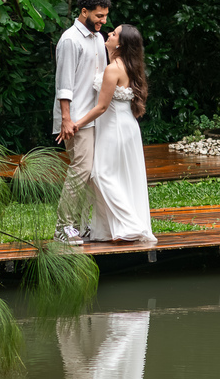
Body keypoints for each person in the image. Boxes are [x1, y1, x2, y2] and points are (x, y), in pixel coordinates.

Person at [62, 24, 156, 245]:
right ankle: (108, 230)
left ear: (120, 44)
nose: (109, 34)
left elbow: (102, 107)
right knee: (119, 177)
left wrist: (76, 123)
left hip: (114, 128)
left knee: (101, 174)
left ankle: (131, 225)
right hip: (127, 127)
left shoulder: (113, 69)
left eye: (113, 34)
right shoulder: (129, 66)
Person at [52, 0, 111, 245]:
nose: (104, 21)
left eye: (106, 16)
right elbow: (64, 84)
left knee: (91, 174)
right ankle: (63, 228)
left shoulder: (98, 38)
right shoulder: (69, 40)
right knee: (81, 171)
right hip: (76, 121)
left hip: (96, 118)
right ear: (84, 12)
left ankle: (81, 226)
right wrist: (66, 119)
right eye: (99, 15)